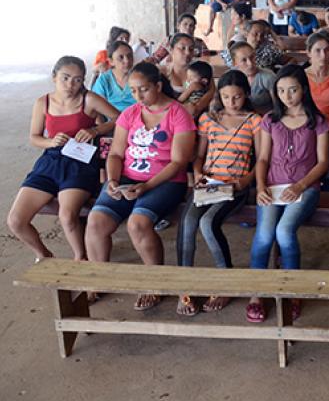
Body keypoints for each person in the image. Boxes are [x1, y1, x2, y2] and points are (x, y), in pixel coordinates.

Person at [85, 63, 196, 311]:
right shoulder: (130, 114)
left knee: (138, 224)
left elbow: (178, 163)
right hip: (126, 178)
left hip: (166, 180)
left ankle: (154, 283)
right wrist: (113, 180)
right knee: (96, 221)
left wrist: (146, 186)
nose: (138, 96)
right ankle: (98, 279)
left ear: (158, 85)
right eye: (133, 91)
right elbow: (116, 154)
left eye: (144, 89)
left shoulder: (179, 114)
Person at [7, 57, 119, 262]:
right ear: (54, 77)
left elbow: (119, 118)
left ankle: (80, 257)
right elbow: (34, 137)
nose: (70, 85)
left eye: (77, 80)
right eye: (65, 78)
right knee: (16, 220)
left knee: (67, 216)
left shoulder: (88, 99)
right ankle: (43, 254)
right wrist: (50, 142)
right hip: (51, 160)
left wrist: (95, 130)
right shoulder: (43, 102)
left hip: (80, 161)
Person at [176, 70, 262, 316]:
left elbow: (261, 159)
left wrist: (246, 181)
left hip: (235, 186)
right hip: (208, 183)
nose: (231, 102)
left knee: (208, 222)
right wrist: (197, 173)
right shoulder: (208, 118)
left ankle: (226, 282)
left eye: (237, 97)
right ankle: (184, 286)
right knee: (188, 222)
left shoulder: (254, 121)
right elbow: (199, 155)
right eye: (225, 97)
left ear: (246, 94)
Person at [249, 65, 329, 323]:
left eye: (293, 90)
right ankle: (257, 292)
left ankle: (293, 291)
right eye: (281, 90)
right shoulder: (270, 120)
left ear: (303, 89)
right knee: (264, 234)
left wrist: (300, 186)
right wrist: (260, 187)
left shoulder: (317, 121)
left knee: (284, 231)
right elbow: (263, 158)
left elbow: (323, 162)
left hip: (305, 188)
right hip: (272, 187)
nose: (287, 96)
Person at [229, 41, 276, 113]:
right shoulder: (230, 77)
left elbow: (277, 106)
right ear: (235, 63)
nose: (250, 63)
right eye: (244, 60)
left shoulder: (268, 77)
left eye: (252, 57)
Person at [92, 40, 135, 112]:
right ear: (111, 61)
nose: (127, 60)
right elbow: (96, 108)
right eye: (121, 57)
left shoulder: (139, 78)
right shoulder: (104, 81)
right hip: (112, 118)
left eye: (129, 56)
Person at [161, 33, 196, 97]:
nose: (188, 53)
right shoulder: (162, 72)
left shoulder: (198, 71)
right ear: (171, 50)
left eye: (191, 49)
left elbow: (210, 93)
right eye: (182, 48)